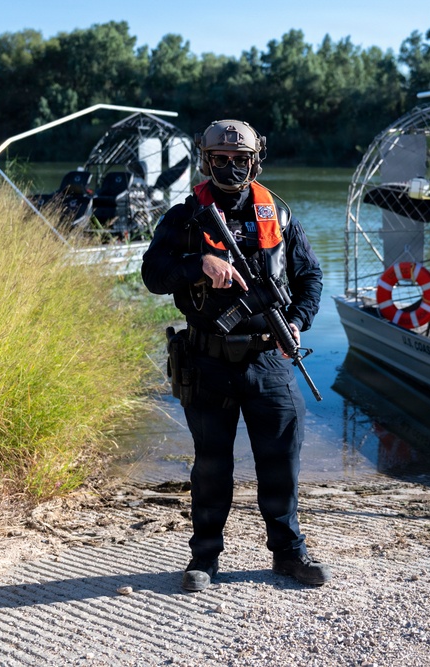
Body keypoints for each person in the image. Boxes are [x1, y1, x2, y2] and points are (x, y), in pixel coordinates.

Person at [141, 119, 330, 592]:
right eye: (220, 159)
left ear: (254, 160)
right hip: (207, 361)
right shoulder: (184, 218)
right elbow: (152, 274)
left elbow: (311, 279)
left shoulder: (280, 216)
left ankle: (289, 553)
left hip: (270, 360)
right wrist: (197, 264)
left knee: (281, 460)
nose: (230, 167)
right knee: (211, 464)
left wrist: (298, 322)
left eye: (239, 159)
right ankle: (204, 557)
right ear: (206, 160)